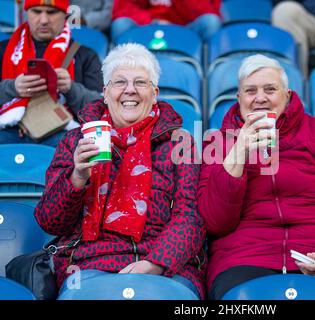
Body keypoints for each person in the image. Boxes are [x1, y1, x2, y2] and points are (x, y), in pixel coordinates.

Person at [198, 54, 315, 300]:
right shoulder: (218, 142)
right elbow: (216, 222)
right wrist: (238, 152)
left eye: (270, 89)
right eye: (250, 91)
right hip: (245, 256)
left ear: (287, 94)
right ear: (239, 98)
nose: (260, 98)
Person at [34, 43, 206, 299]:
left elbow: (190, 216)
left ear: (155, 92)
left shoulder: (181, 143)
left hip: (167, 267)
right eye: (119, 82)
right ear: (104, 92)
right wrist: (77, 177)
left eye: (140, 83)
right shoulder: (76, 141)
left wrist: (155, 264)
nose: (130, 90)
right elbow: (50, 221)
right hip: (90, 263)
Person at [0, 0, 103, 147]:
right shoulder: (3, 50)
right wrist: (12, 88)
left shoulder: (85, 55)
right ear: (26, 13)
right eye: (36, 11)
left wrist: (70, 89)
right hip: (8, 130)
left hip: (60, 132)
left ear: (65, 15)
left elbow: (101, 111)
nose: (43, 20)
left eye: (51, 12)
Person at [111, 0, 222, 42]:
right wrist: (152, 21)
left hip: (183, 30)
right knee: (120, 25)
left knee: (211, 22)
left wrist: (172, 26)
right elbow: (123, 9)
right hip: (146, 28)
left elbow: (203, 12)